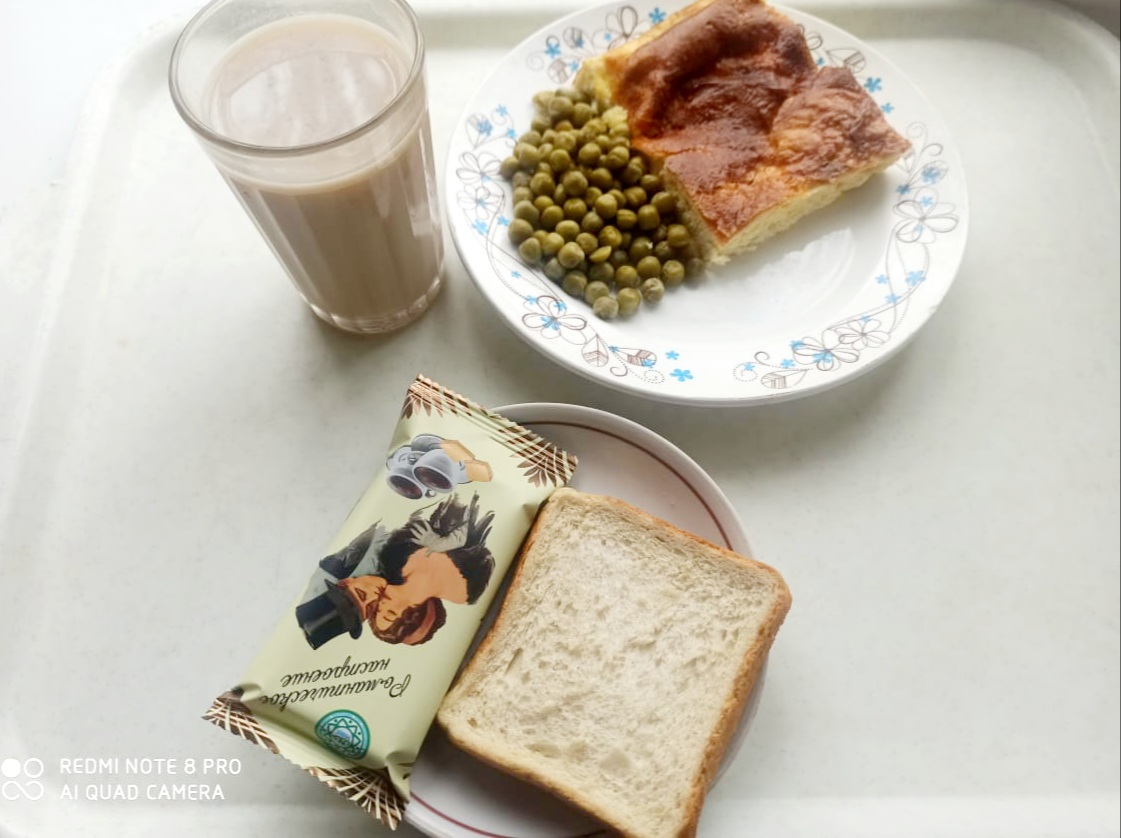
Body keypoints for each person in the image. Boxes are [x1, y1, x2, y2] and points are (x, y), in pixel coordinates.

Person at [295, 494, 495, 649]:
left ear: (346, 582)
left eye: (362, 594)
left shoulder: (390, 555)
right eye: (374, 609)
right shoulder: (463, 592)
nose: (376, 599)